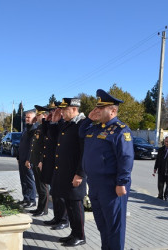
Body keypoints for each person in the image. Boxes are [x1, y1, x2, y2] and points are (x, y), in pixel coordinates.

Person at [79, 89, 134, 250]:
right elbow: (81, 133)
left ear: (113, 110)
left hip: (112, 186)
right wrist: (89, 119)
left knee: (115, 227)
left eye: (100, 108)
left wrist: (121, 182)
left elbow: (126, 158)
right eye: (96, 108)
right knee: (102, 225)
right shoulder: (95, 128)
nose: (97, 111)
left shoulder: (120, 130)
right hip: (95, 185)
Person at [49, 98, 86, 246]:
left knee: (76, 207)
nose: (62, 112)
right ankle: (74, 233)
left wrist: (80, 174)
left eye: (65, 110)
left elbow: (85, 152)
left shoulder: (82, 125)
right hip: (64, 173)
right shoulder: (67, 124)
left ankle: (81, 236)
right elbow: (52, 139)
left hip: (74, 174)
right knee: (70, 206)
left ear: (74, 109)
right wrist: (54, 121)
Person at [42, 102, 69, 228]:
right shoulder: (56, 123)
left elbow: (55, 138)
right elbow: (47, 136)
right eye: (51, 111)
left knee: (61, 195)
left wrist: (55, 121)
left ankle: (63, 220)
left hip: (61, 165)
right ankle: (57, 217)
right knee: (55, 193)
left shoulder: (64, 124)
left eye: (55, 110)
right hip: (53, 164)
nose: (52, 112)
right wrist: (49, 122)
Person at [26, 105, 49, 216]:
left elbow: (45, 146)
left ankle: (43, 209)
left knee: (43, 187)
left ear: (44, 116)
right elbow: (33, 145)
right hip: (35, 161)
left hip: (41, 162)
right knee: (39, 188)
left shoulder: (45, 128)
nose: (38, 116)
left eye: (39, 115)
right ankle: (39, 208)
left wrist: (41, 160)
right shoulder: (38, 127)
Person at [16, 111, 37, 208]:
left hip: (28, 160)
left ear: (34, 118)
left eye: (29, 117)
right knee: (23, 180)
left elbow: (33, 147)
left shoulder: (34, 130)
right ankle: (26, 198)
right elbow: (21, 145)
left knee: (29, 180)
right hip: (22, 159)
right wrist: (18, 157)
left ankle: (32, 200)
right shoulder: (25, 129)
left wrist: (29, 160)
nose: (26, 119)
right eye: (26, 117)